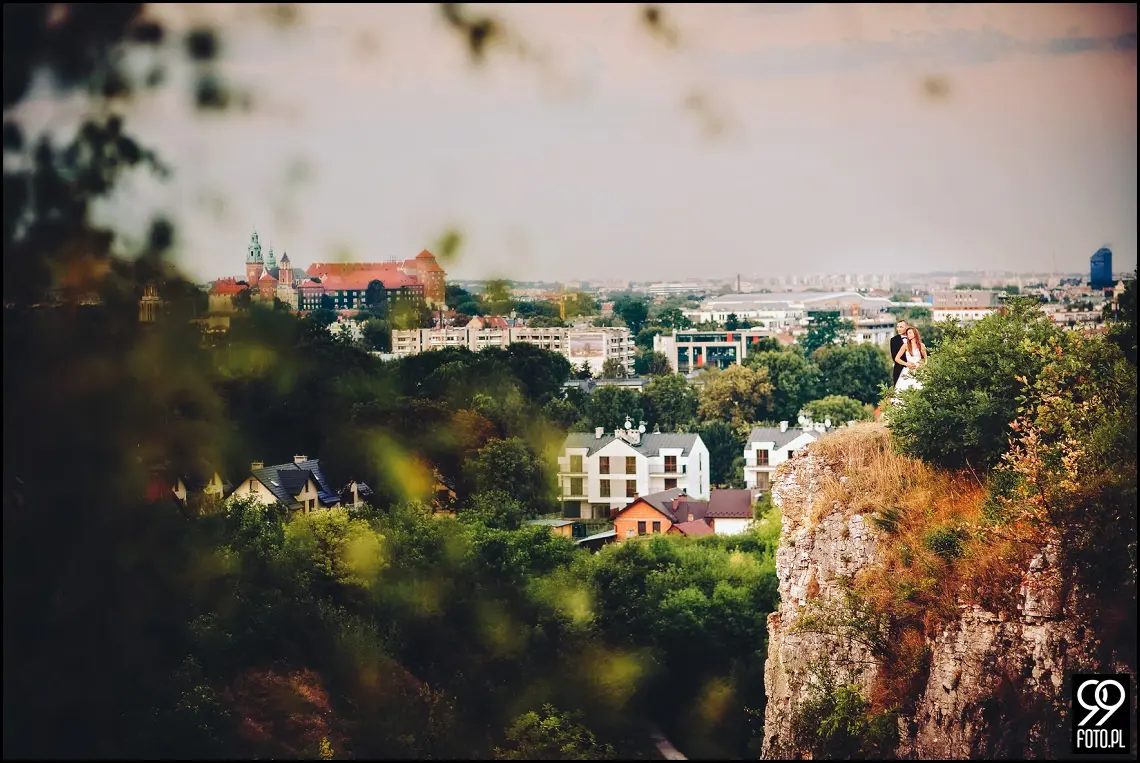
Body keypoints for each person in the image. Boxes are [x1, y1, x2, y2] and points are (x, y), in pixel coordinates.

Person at [893, 326, 927, 393]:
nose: (908, 335)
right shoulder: (905, 346)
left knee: (920, 389)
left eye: (910, 333)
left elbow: (926, 358)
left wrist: (923, 364)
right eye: (907, 333)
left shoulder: (921, 345)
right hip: (908, 370)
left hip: (919, 371)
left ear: (915, 333)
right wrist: (906, 364)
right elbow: (896, 358)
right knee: (905, 390)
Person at [890, 320, 909, 386]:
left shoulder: (912, 338)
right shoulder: (893, 340)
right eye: (897, 327)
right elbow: (894, 357)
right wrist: (907, 364)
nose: (898, 329)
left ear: (906, 327)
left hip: (914, 368)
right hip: (899, 370)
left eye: (901, 327)